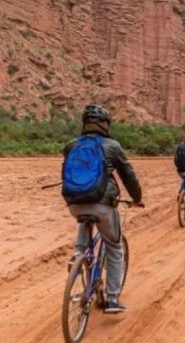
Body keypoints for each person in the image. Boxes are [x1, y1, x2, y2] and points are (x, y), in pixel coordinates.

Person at [63, 104, 143, 314]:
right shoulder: (112, 145)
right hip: (103, 203)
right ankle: (112, 298)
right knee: (115, 248)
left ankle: (78, 255)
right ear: (105, 125)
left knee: (84, 217)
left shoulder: (71, 145)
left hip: (73, 202)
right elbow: (128, 176)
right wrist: (137, 198)